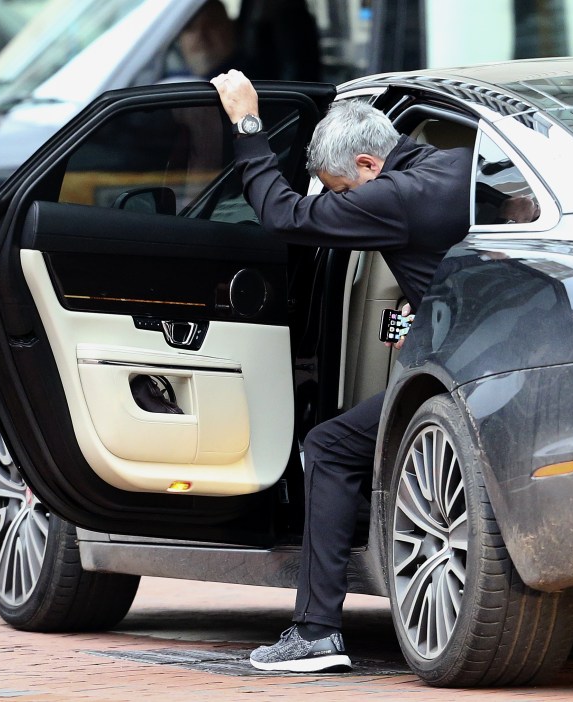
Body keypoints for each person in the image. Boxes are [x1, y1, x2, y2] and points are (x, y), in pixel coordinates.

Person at [212, 69, 472, 673]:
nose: (337, 205)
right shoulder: (457, 167)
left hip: (463, 377)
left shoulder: (394, 198)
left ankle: (316, 631)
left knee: (328, 446)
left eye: (339, 192)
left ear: (368, 164)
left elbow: (282, 215)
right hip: (492, 351)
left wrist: (248, 124)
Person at [175, 1, 253, 79]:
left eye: (210, 24)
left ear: (230, 28)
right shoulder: (173, 79)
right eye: (190, 27)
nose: (200, 34)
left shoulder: (252, 78)